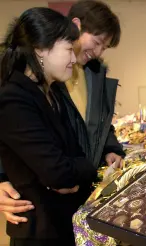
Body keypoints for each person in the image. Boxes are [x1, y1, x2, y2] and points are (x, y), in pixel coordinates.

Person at [0, 0, 126, 225]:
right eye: (96, 42)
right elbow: (14, 131)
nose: (97, 53)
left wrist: (110, 148)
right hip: (42, 211)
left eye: (104, 48)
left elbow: (100, 122)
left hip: (77, 201)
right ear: (75, 27)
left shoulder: (91, 76)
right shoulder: (32, 81)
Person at [0, 7, 97, 246]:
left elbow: (72, 157)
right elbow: (59, 173)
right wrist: (85, 169)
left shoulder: (52, 91)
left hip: (64, 222)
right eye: (68, 50)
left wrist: (75, 168)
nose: (74, 60)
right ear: (41, 49)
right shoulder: (13, 97)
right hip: (40, 231)